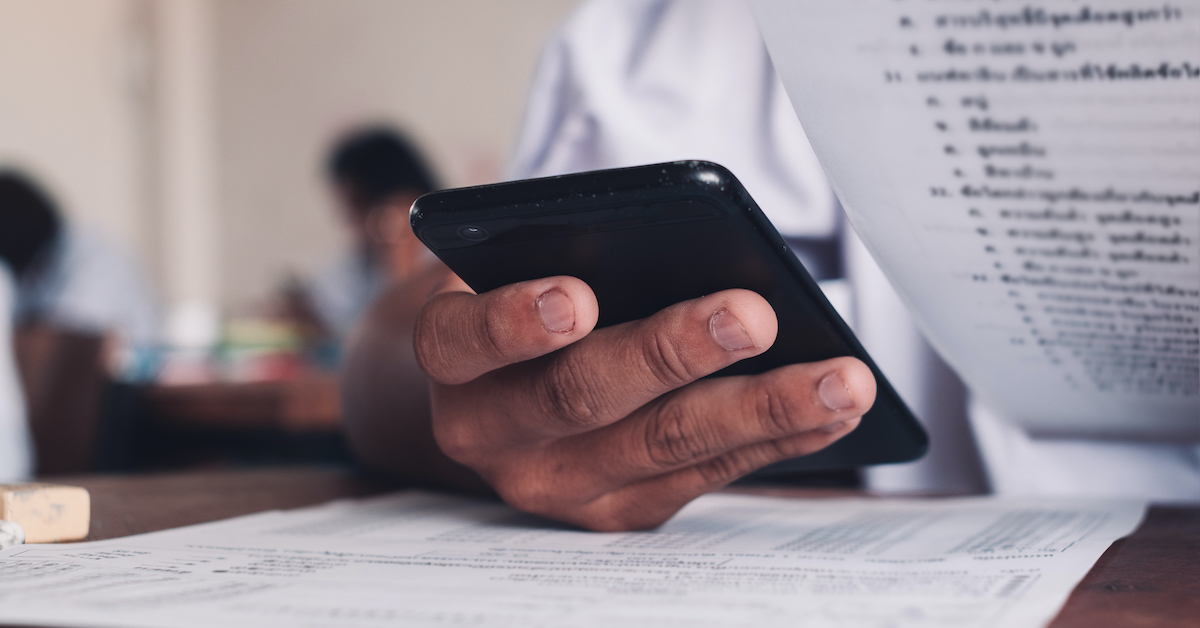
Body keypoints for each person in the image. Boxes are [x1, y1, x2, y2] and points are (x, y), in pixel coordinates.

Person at [296, 127, 441, 341]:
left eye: (358, 206)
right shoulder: (357, 265)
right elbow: (331, 309)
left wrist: (400, 260)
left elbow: (403, 340)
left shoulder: (443, 263)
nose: (352, 221)